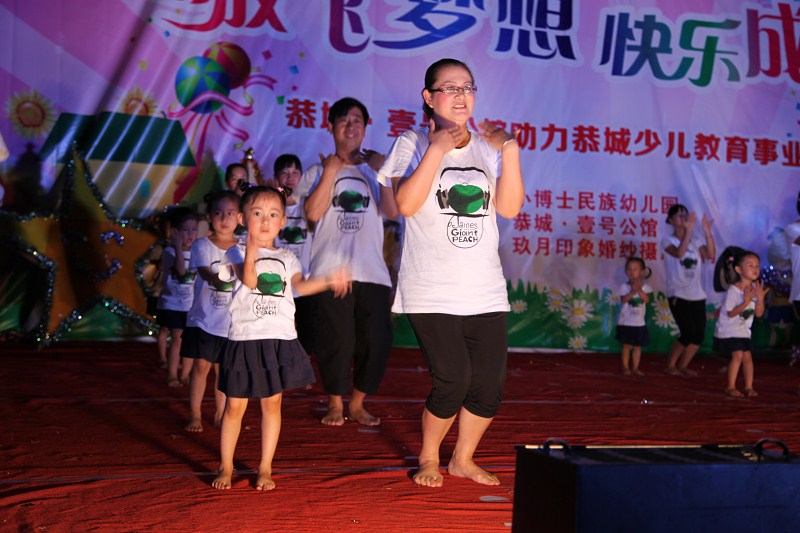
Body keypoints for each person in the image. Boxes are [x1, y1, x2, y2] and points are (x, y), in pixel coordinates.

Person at [378, 58, 524, 487]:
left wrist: (510, 150)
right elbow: (404, 205)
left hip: (484, 289)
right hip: (431, 289)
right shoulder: (410, 142)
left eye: (468, 87)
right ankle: (428, 457)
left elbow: (509, 208)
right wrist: (437, 148)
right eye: (450, 87)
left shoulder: (487, 148)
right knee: (453, 378)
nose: (461, 96)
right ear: (429, 97)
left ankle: (462, 459)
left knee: (489, 385)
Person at [212, 186, 350, 491]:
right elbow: (250, 280)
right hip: (245, 337)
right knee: (234, 407)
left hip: (278, 338)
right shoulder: (235, 252)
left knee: (272, 404)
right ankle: (226, 466)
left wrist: (329, 280)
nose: (265, 220)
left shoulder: (288, 256)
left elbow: (300, 286)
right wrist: (251, 248)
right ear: (242, 219)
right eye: (257, 213)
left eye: (273, 214)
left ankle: (265, 467)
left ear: (283, 221)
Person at [304, 97, 398, 427]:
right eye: (343, 120)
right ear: (331, 126)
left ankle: (357, 403)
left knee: (377, 340)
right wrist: (331, 170)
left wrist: (384, 172)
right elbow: (312, 213)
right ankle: (334, 403)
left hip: (372, 271)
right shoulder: (317, 171)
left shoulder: (374, 171)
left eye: (357, 120)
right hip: (330, 270)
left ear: (365, 127)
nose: (351, 125)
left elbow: (392, 211)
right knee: (336, 339)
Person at [182, 191, 240, 432]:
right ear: (208, 217)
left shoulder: (244, 247)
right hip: (204, 320)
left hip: (231, 322)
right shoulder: (201, 245)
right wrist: (217, 278)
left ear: (239, 217)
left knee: (223, 370)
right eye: (218, 213)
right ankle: (195, 415)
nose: (224, 218)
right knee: (201, 367)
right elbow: (205, 271)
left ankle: (219, 414)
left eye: (230, 213)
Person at [662, 204, 715, 376]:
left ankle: (683, 366)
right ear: (670, 220)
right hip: (678, 293)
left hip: (697, 294)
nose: (683, 217)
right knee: (687, 333)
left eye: (685, 214)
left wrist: (707, 232)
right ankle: (670, 365)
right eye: (678, 215)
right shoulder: (667, 241)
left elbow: (710, 255)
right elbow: (679, 253)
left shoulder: (696, 240)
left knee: (698, 335)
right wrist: (689, 231)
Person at [273, 154, 316, 355]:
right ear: (276, 178)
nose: (290, 178)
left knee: (308, 336)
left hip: (305, 283)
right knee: (278, 333)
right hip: (277, 285)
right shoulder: (271, 207)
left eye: (295, 173)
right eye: (284, 173)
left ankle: (300, 368)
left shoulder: (308, 205)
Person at [714, 250, 768, 397]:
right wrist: (745, 302)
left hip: (744, 331)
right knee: (737, 355)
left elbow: (758, 314)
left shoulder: (755, 289)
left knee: (748, 358)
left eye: (757, 265)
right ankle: (730, 386)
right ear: (738, 269)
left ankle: (749, 387)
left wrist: (760, 299)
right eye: (750, 265)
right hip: (729, 330)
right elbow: (730, 313)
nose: (755, 268)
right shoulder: (733, 290)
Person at [156, 206, 200, 386]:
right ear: (174, 232)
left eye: (194, 229)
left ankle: (185, 374)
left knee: (189, 341)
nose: (190, 234)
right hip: (173, 304)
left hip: (191, 305)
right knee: (177, 338)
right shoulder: (170, 252)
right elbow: (181, 272)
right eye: (184, 230)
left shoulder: (198, 251)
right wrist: (178, 247)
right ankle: (173, 374)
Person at [615, 257, 653, 376]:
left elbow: (646, 299)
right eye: (629, 269)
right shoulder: (624, 286)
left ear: (641, 271)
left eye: (635, 269)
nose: (631, 272)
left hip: (639, 323)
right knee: (626, 346)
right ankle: (625, 367)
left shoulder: (646, 287)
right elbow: (623, 300)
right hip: (626, 322)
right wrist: (632, 291)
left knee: (637, 347)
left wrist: (639, 289)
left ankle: (635, 368)